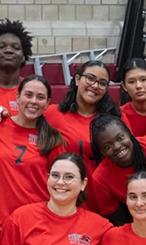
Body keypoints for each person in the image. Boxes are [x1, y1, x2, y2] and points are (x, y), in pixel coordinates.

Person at [43, 60, 131, 211]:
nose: (95, 86)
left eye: (102, 83)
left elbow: (130, 158)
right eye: (90, 78)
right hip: (63, 201)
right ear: (77, 79)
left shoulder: (116, 118)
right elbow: (23, 124)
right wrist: (2, 112)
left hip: (104, 203)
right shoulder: (52, 114)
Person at [0, 75, 67, 238]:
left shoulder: (53, 139)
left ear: (47, 103)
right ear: (17, 97)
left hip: (39, 224)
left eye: (40, 97)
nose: (33, 101)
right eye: (28, 95)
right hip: (2, 222)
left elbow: (61, 185)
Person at [0, 19, 34, 118]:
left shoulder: (31, 90)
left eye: (16, 48)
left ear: (23, 56)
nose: (9, 50)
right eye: (1, 47)